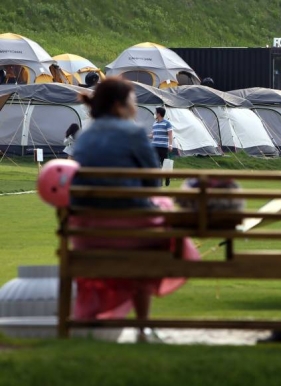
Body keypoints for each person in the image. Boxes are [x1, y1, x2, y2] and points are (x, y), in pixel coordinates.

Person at [71, 78, 199, 342]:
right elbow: (152, 183)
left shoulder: (85, 136)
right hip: (132, 230)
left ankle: (100, 325)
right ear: (119, 105)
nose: (136, 106)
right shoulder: (133, 134)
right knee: (157, 234)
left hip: (88, 232)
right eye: (133, 100)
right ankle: (143, 328)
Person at [150, 107, 173, 186]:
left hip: (163, 147)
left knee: (165, 164)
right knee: (156, 164)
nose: (155, 114)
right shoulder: (154, 123)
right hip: (154, 146)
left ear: (159, 114)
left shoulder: (167, 123)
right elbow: (152, 135)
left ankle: (167, 178)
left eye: (156, 112)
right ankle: (159, 181)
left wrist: (170, 145)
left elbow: (170, 135)